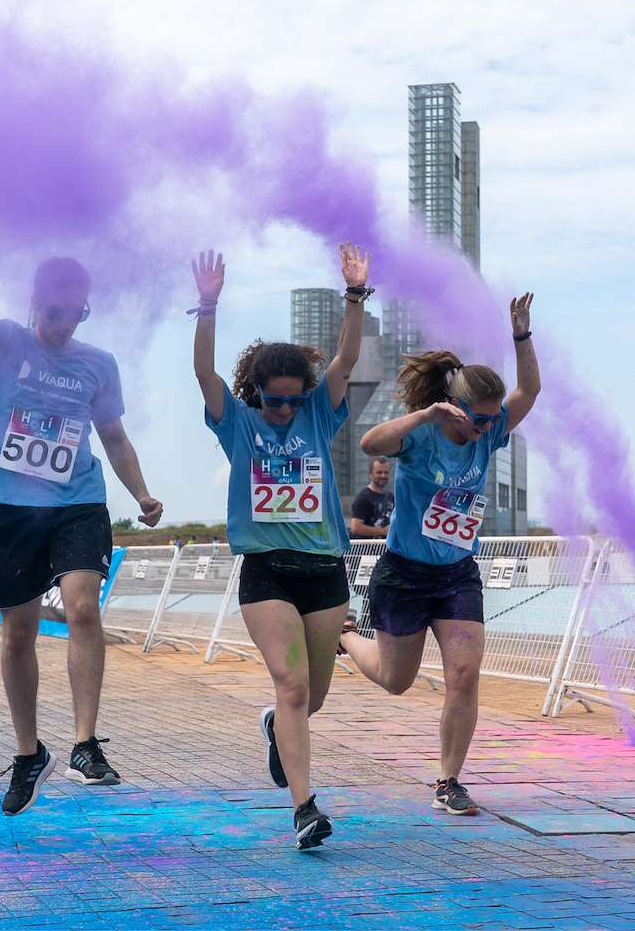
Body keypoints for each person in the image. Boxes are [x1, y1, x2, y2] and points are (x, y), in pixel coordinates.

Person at [0, 176, 164, 816]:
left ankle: (85, 742)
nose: (65, 324)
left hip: (77, 502)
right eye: (56, 311)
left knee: (83, 606)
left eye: (78, 313)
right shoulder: (3, 342)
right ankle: (27, 750)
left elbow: (114, 437)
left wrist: (143, 493)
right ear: (37, 303)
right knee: (17, 635)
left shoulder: (98, 364)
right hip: (11, 508)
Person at [192, 244, 371, 850]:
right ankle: (305, 809)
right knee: (292, 684)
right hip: (265, 571)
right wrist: (208, 305)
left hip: (324, 570)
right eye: (276, 400)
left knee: (309, 696)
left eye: (296, 398)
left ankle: (276, 727)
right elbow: (204, 375)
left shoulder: (320, 418)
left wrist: (354, 294)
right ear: (256, 394)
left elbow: (347, 358)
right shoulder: (238, 423)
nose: (287, 409)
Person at [339, 294, 539, 816]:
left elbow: (530, 390)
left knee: (465, 674)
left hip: (456, 574)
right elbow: (370, 444)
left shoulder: (488, 434)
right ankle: (343, 635)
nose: (486, 429)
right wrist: (423, 413)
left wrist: (521, 336)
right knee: (395, 681)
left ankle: (448, 780)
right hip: (403, 575)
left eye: (492, 421)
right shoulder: (423, 435)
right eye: (478, 420)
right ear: (455, 406)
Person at [350, 457, 394, 539]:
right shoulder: (363, 498)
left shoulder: (390, 497)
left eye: (386, 472)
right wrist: (383, 531)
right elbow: (355, 527)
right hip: (365, 550)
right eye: (379, 472)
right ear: (370, 474)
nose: (383, 475)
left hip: (382, 549)